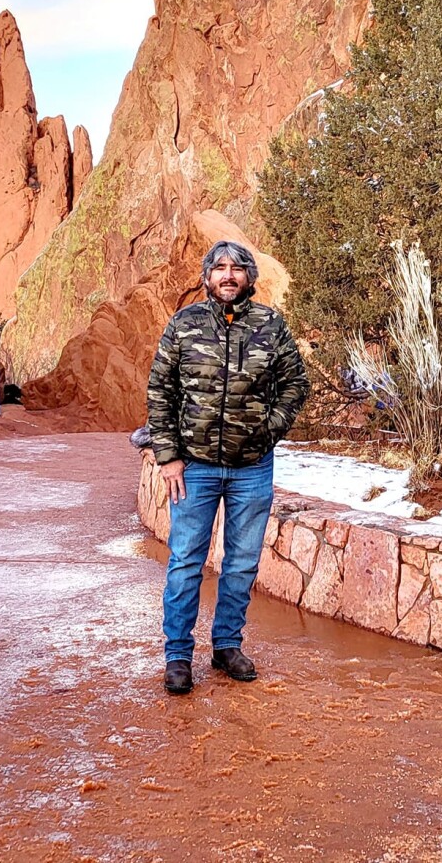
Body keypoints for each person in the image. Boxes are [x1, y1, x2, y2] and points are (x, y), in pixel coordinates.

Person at [147, 240, 309, 695]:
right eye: (219, 268)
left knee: (240, 564)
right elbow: (160, 390)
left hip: (252, 468)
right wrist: (168, 456)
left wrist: (268, 429)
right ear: (206, 277)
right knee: (185, 563)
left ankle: (226, 647)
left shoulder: (270, 324)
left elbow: (296, 382)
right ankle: (178, 655)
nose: (228, 275)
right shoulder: (184, 324)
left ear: (249, 277)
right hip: (193, 467)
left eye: (237, 268)